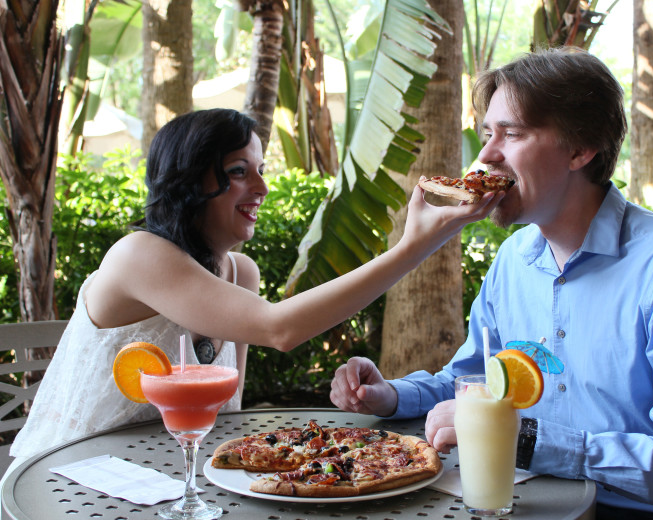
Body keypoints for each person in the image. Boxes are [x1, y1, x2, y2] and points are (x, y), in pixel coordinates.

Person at [329, 47, 653, 520]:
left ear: (581, 149)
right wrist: (394, 396)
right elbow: (471, 384)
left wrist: (524, 440)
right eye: (486, 133)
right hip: (526, 504)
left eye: (513, 133)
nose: (485, 156)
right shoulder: (513, 260)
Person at [5, 109, 502, 478]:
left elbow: (227, 419)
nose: (262, 187)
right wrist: (414, 245)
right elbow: (280, 329)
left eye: (261, 168)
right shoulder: (139, 256)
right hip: (68, 476)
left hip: (173, 480)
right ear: (189, 178)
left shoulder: (241, 272)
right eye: (240, 171)